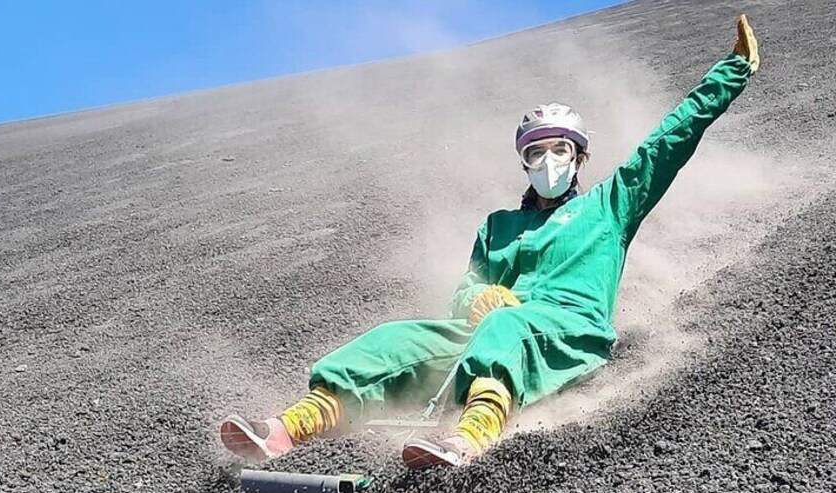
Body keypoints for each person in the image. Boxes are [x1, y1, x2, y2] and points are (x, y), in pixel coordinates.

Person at [220, 15, 760, 469]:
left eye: (560, 149)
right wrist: (474, 298)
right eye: (536, 151)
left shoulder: (610, 205)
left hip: (568, 331)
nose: (549, 160)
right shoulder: (498, 225)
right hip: (494, 333)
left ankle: (472, 433)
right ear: (523, 160)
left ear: (579, 158)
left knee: (506, 323)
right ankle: (290, 427)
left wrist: (731, 72)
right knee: (397, 337)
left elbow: (668, 143)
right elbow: (468, 291)